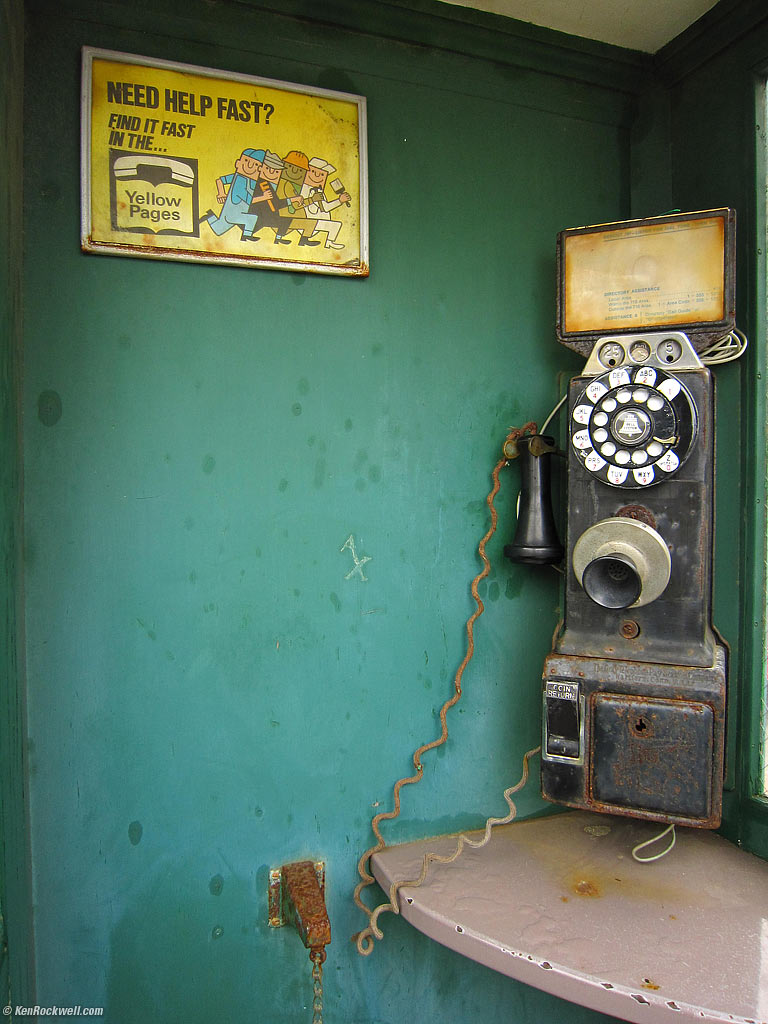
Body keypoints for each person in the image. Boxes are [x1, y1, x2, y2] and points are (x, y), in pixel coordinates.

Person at [201, 149, 264, 241]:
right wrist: (221, 193)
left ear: (259, 169)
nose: (250, 166)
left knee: (218, 229)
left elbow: (220, 180)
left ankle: (210, 216)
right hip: (232, 213)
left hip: (238, 212)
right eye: (246, 161)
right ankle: (246, 236)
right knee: (252, 218)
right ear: (238, 163)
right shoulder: (240, 179)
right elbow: (249, 200)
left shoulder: (252, 181)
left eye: (256, 164)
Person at [299, 158, 351, 249]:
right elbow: (325, 207)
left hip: (312, 221)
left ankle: (328, 243)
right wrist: (340, 201)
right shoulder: (306, 189)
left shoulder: (318, 190)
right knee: (335, 225)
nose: (317, 176)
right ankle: (328, 243)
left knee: (335, 225)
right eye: (313, 171)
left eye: (322, 174)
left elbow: (324, 207)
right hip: (307, 222)